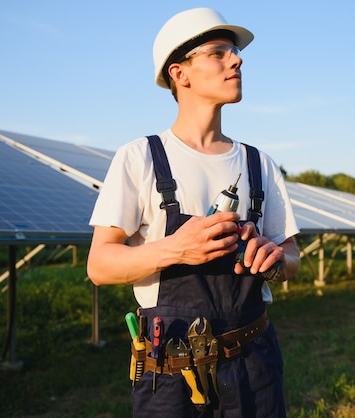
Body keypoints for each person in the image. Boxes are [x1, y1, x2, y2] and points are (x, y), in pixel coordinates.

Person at [87, 7, 300, 417]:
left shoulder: (260, 164)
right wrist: (176, 249)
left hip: (254, 366)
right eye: (218, 53)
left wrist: (275, 259)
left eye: (234, 53)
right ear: (180, 73)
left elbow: (292, 256)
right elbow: (99, 265)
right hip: (170, 373)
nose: (236, 60)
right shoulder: (141, 158)